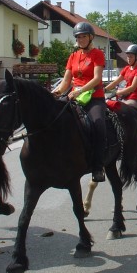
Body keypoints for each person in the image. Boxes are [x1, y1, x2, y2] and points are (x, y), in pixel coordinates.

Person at [52, 22, 107, 182]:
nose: (80, 39)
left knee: (98, 124)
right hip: (74, 96)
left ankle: (98, 166)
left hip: (94, 97)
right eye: (78, 37)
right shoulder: (73, 56)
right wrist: (56, 92)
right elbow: (66, 81)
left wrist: (80, 90)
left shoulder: (97, 54)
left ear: (91, 37)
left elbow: (97, 79)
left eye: (83, 36)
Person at [105, 44, 137, 110]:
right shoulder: (127, 68)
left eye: (131, 57)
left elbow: (132, 87)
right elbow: (116, 81)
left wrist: (117, 92)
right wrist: (104, 89)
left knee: (122, 110)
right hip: (125, 98)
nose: (128, 59)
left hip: (135, 99)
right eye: (127, 57)